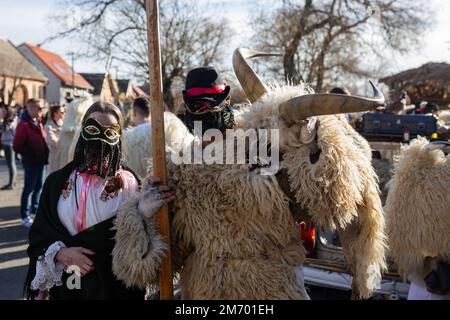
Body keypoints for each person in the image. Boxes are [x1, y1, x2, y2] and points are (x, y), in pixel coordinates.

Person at [24, 101, 146, 300]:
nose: (100, 138)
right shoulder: (56, 183)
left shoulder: (130, 185)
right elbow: (39, 237)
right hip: (67, 287)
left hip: (113, 289)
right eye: (92, 129)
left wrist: (150, 205)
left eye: (109, 132)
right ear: (82, 131)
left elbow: (139, 241)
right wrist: (61, 254)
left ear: (119, 137)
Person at [13, 99, 49, 228]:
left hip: (40, 161)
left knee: (39, 186)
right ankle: (25, 216)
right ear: (31, 108)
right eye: (39, 108)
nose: (41, 110)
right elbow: (17, 145)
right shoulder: (23, 125)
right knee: (28, 189)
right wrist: (31, 155)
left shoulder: (37, 121)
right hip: (31, 162)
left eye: (42, 108)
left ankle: (35, 210)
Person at [1, 104, 19, 190]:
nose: (1, 112)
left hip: (9, 144)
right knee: (11, 164)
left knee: (11, 164)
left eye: (3, 111)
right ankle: (12, 183)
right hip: (8, 143)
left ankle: (12, 184)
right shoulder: (9, 119)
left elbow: (4, 130)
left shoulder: (10, 120)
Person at [45, 105, 65, 175]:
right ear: (55, 113)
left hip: (63, 156)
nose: (64, 113)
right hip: (54, 157)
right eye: (62, 112)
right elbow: (54, 142)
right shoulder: (48, 127)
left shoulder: (64, 124)